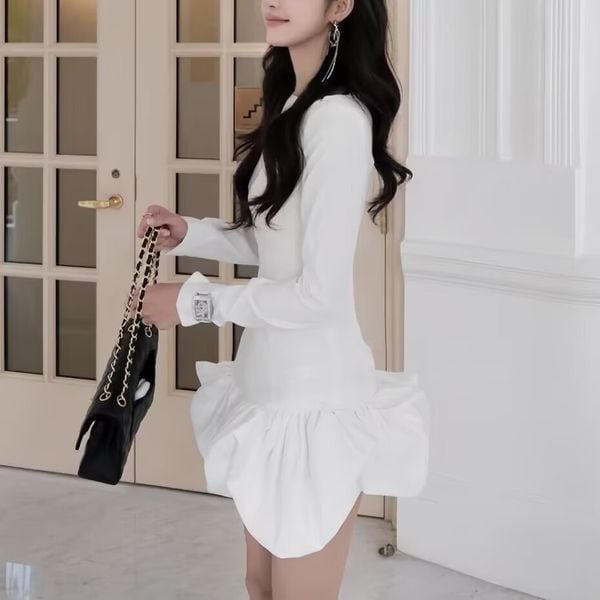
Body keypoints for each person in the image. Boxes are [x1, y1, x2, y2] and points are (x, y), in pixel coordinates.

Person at [131, 1, 430, 597]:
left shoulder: (338, 119)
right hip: (267, 389)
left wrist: (195, 303)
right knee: (260, 585)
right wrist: (192, 233)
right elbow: (275, 242)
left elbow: (316, 295)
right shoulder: (295, 105)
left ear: (340, 6)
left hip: (314, 401)